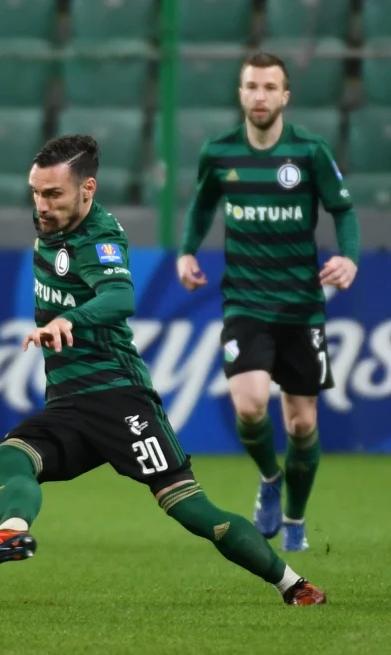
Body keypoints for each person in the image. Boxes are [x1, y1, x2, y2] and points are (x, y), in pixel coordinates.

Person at [0, 134, 326, 606]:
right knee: (10, 457)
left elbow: (120, 298)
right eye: (36, 193)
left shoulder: (99, 238)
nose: (41, 205)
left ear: (88, 189)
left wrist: (70, 318)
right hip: (67, 401)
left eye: (54, 194)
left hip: (118, 396)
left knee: (189, 507)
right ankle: (10, 534)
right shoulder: (53, 223)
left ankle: (294, 584)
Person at [176, 52, 360, 551]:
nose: (259, 95)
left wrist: (350, 257)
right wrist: (187, 251)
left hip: (301, 307)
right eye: (251, 86)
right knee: (252, 404)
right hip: (245, 303)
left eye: (268, 87)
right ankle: (269, 479)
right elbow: (202, 203)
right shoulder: (219, 153)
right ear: (241, 93)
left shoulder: (309, 152)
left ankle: (296, 520)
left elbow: (343, 209)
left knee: (302, 423)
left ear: (285, 96)